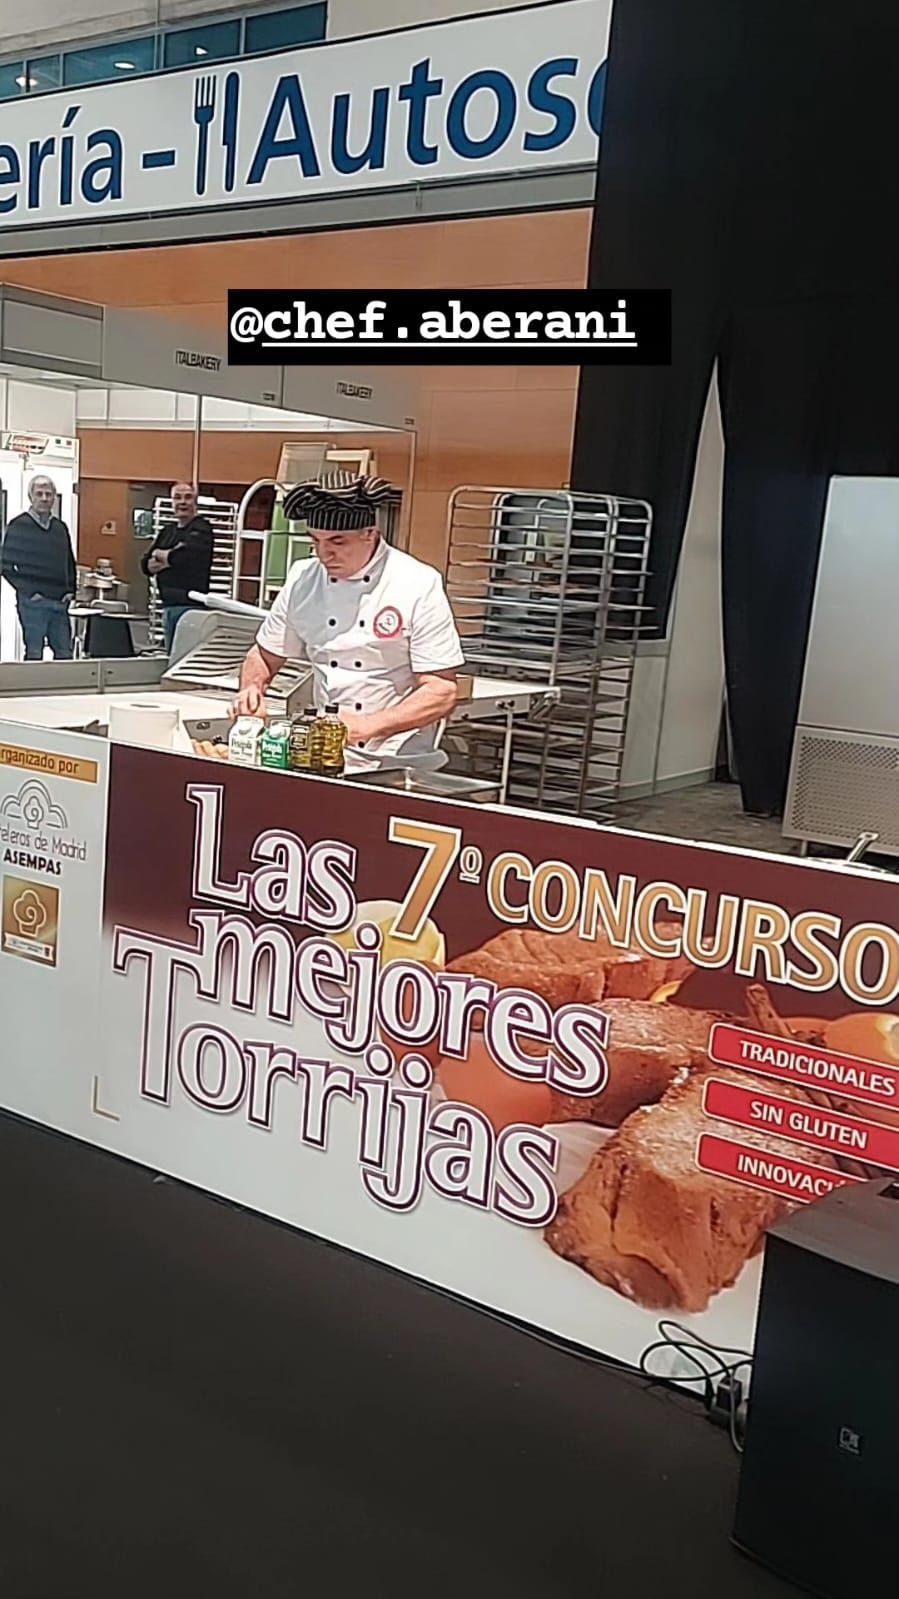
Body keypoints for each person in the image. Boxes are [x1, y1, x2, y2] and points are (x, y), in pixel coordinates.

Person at [233, 474, 463, 769]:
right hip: (323, 752)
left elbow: (441, 691)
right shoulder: (302, 579)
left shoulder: (417, 583)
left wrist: (368, 726)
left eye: (337, 541)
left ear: (370, 533)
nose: (323, 553)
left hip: (397, 759)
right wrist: (251, 688)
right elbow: (265, 653)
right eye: (315, 540)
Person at [0, 474, 75, 661]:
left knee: (65, 654)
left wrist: (71, 590)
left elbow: (69, 561)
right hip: (33, 603)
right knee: (34, 653)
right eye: (39, 494)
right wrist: (29, 592)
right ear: (31, 497)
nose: (44, 498)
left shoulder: (60, 528)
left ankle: (63, 690)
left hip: (60, 602)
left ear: (54, 498)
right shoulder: (18, 526)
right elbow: (6, 566)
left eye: (48, 494)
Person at [140, 482, 214, 654]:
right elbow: (145, 564)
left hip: (192, 609)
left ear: (195, 502)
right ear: (172, 502)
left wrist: (166, 557)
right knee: (171, 657)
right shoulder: (167, 532)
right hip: (168, 607)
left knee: (186, 659)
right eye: (177, 498)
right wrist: (168, 555)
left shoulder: (202, 528)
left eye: (188, 498)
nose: (183, 502)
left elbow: (185, 557)